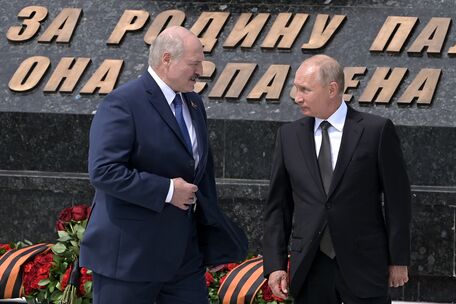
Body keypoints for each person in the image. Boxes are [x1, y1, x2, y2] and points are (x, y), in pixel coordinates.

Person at [80, 26, 248, 304]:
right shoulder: (122, 103)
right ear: (167, 59)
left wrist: (212, 241)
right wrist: (167, 190)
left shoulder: (193, 103)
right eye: (194, 64)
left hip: (183, 260)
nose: (201, 71)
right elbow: (104, 171)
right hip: (130, 260)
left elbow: (202, 177)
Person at [262, 54, 411, 304]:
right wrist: (275, 265)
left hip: (364, 265)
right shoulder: (289, 136)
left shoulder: (376, 131)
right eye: (296, 89)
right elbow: (277, 207)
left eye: (305, 90)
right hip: (310, 266)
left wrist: (398, 259)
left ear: (332, 89)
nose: (296, 97)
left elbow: (398, 201)